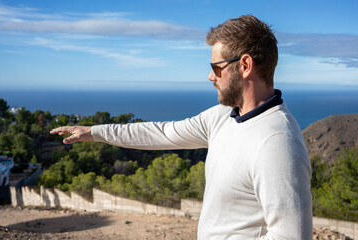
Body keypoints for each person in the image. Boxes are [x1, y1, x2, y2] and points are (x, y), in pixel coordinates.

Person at [51, 15, 313, 239]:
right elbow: (162, 133)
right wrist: (95, 132)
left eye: (216, 67)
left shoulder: (277, 142)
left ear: (244, 66)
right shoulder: (223, 116)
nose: (211, 76)